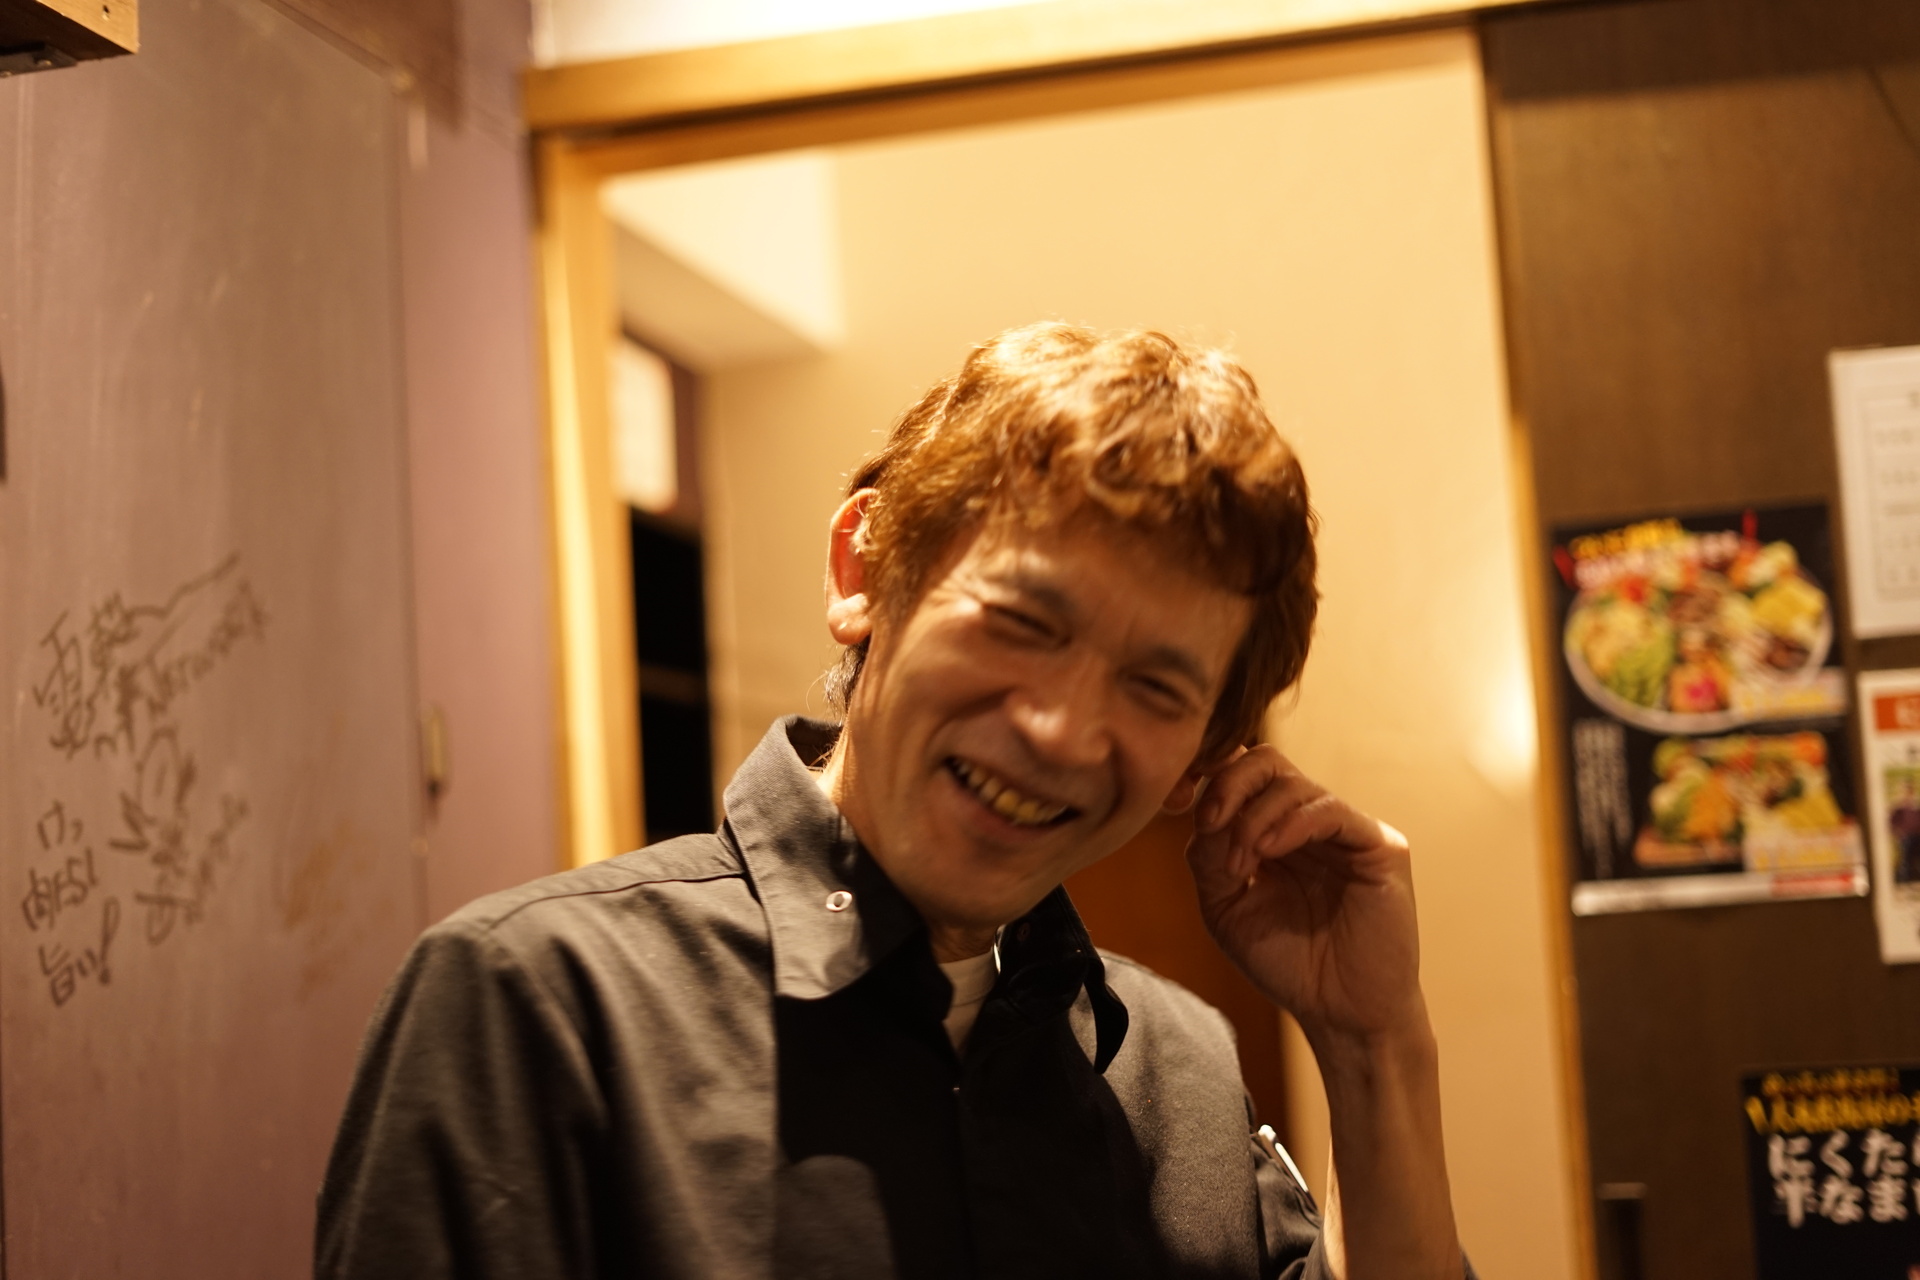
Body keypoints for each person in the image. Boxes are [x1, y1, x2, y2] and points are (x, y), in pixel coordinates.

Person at [316, 324, 1469, 1279]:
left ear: (1201, 755)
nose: (1062, 729)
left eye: (1155, 687)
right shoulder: (541, 1005)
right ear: (863, 569)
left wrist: (1374, 1044)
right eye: (1022, 620)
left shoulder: (1177, 1071)